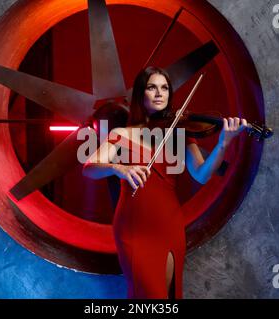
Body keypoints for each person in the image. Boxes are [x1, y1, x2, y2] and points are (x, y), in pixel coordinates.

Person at [82, 66, 247, 299]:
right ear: (141, 94)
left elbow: (201, 174)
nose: (159, 93)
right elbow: (89, 169)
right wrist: (117, 167)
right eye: (152, 87)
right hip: (134, 228)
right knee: (147, 298)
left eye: (164, 88)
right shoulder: (121, 134)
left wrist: (223, 143)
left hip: (169, 225)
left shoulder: (179, 133)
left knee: (169, 298)